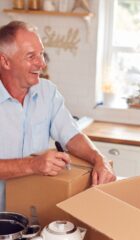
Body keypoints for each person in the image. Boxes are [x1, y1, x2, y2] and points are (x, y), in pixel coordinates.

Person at [0, 21, 116, 211]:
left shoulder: (48, 92)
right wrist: (32, 164)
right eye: (31, 56)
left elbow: (71, 135)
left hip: (31, 211)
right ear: (5, 61)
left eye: (41, 54)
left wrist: (99, 159)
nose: (41, 63)